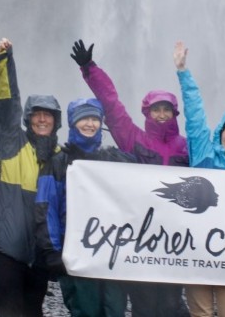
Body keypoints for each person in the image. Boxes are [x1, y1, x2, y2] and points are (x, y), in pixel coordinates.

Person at [70, 39, 189, 317]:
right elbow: (111, 105)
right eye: (156, 109)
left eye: (166, 109)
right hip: (138, 235)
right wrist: (90, 68)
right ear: (147, 113)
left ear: (174, 113)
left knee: (173, 304)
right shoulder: (133, 138)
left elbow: (210, 161)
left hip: (175, 238)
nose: (161, 115)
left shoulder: (186, 146)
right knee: (144, 304)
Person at [173, 41, 225, 317]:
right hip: (195, 246)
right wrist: (183, 71)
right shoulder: (204, 154)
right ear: (221, 131)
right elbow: (195, 114)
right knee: (201, 313)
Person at [35, 98, 134, 317]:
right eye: (84, 119)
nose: (90, 124)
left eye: (94, 119)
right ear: (73, 123)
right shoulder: (58, 162)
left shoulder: (111, 159)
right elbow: (46, 207)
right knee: (84, 309)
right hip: (76, 252)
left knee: (114, 309)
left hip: (110, 250)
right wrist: (53, 251)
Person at [0, 37, 63, 317]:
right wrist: (3, 61)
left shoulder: (61, 158)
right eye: (36, 115)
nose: (42, 119)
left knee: (33, 309)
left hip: (40, 250)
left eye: (48, 115)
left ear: (56, 121)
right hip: (7, 246)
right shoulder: (13, 144)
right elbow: (7, 104)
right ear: (28, 119)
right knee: (9, 310)